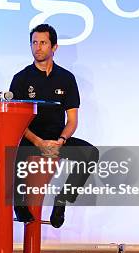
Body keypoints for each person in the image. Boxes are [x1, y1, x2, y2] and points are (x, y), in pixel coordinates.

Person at [10, 23, 99, 228]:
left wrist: (61, 141)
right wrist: (38, 141)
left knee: (90, 153)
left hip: (57, 138)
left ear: (54, 47)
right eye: (34, 43)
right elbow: (15, 121)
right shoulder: (21, 79)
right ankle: (19, 203)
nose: (37, 47)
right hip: (29, 137)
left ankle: (62, 200)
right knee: (12, 152)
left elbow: (73, 120)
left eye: (43, 43)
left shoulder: (66, 78)